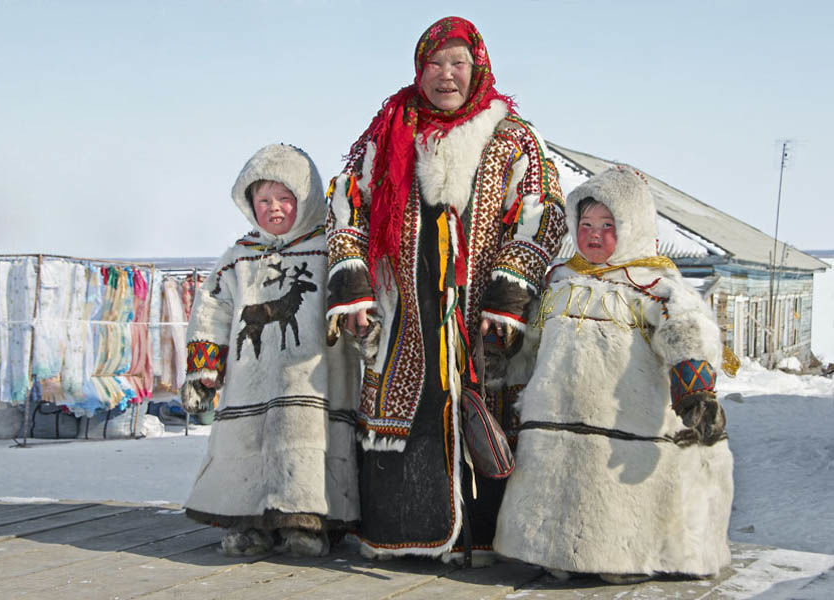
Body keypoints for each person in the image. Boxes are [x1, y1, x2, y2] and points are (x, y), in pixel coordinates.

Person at [324, 16, 567, 562]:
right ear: (419, 69)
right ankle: (402, 539)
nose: (445, 75)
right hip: (403, 313)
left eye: (457, 63)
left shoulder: (512, 138)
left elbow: (542, 214)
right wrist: (354, 282)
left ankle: (483, 541)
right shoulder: (387, 134)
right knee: (403, 411)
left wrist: (509, 296)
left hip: (481, 317)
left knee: (485, 412)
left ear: (476, 65)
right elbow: (346, 204)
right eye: (434, 64)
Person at [494, 166, 733, 582]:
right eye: (585, 224)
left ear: (633, 226)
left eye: (608, 225)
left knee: (617, 498)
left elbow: (688, 332)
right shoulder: (559, 283)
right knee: (557, 486)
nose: (594, 235)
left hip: (627, 426)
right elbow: (531, 344)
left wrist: (695, 390)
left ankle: (622, 559)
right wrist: (507, 375)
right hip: (555, 423)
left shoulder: (655, 285)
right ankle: (556, 552)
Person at [181, 143, 361, 557]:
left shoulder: (330, 250)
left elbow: (356, 301)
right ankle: (247, 524)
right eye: (264, 200)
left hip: (313, 379)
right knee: (245, 452)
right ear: (249, 204)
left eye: (285, 198)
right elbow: (211, 311)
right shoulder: (239, 258)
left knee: (310, 451)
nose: (275, 209)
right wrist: (204, 371)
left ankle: (309, 525)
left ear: (307, 198)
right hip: (250, 385)